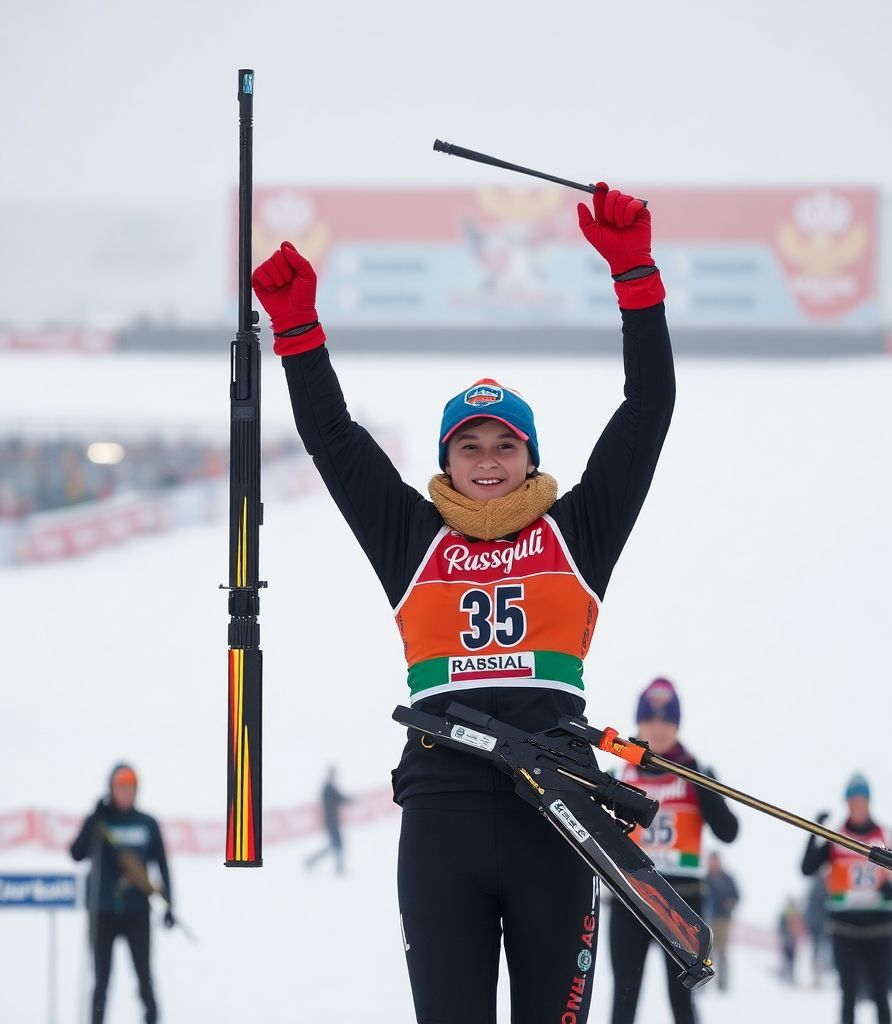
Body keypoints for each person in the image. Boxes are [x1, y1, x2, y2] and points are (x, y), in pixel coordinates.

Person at [253, 183, 673, 1024]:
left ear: (529, 457)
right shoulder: (411, 539)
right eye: (469, 445)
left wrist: (636, 278)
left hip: (557, 811)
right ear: (446, 460)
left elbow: (647, 409)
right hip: (442, 811)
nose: (487, 460)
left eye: (505, 444)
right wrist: (298, 330)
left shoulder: (578, 533)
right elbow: (335, 440)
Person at [608, 678, 739, 1024]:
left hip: (682, 903)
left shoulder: (696, 773)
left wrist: (700, 781)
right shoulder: (618, 772)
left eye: (667, 720)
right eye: (650, 719)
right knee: (624, 997)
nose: (658, 728)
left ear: (678, 725)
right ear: (638, 723)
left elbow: (728, 832)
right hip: (630, 901)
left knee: (682, 1000)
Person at [801, 773, 892, 1024]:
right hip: (845, 929)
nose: (857, 805)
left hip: (879, 928)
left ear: (869, 801)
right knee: (849, 993)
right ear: (847, 802)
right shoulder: (836, 838)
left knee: (880, 993)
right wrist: (813, 832)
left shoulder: (887, 836)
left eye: (861, 799)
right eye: (852, 800)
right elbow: (807, 868)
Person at [69, 764, 173, 1024]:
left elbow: (162, 864)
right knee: (101, 980)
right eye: (121, 787)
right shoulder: (100, 821)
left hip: (137, 911)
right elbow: (76, 853)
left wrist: (170, 904)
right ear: (112, 789)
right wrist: (93, 820)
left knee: (144, 977)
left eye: (130, 788)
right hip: (102, 911)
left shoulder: (147, 824)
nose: (126, 793)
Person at [705, 850, 741, 992]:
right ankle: (703, 981)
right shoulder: (704, 878)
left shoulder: (727, 879)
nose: (713, 863)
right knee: (706, 952)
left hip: (722, 920)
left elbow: (737, 896)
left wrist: (729, 905)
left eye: (715, 860)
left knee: (722, 951)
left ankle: (723, 983)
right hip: (706, 920)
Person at [305, 765, 351, 874]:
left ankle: (312, 861)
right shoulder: (328, 788)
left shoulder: (329, 787)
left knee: (335, 845)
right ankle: (337, 868)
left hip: (331, 820)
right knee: (336, 845)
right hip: (331, 821)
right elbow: (340, 798)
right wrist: (352, 799)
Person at [779, 896, 802, 984]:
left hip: (789, 937)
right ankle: (790, 976)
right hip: (792, 938)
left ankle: (785, 975)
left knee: (786, 957)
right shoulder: (796, 912)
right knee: (791, 958)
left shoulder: (786, 912)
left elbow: (781, 925)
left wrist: (784, 934)